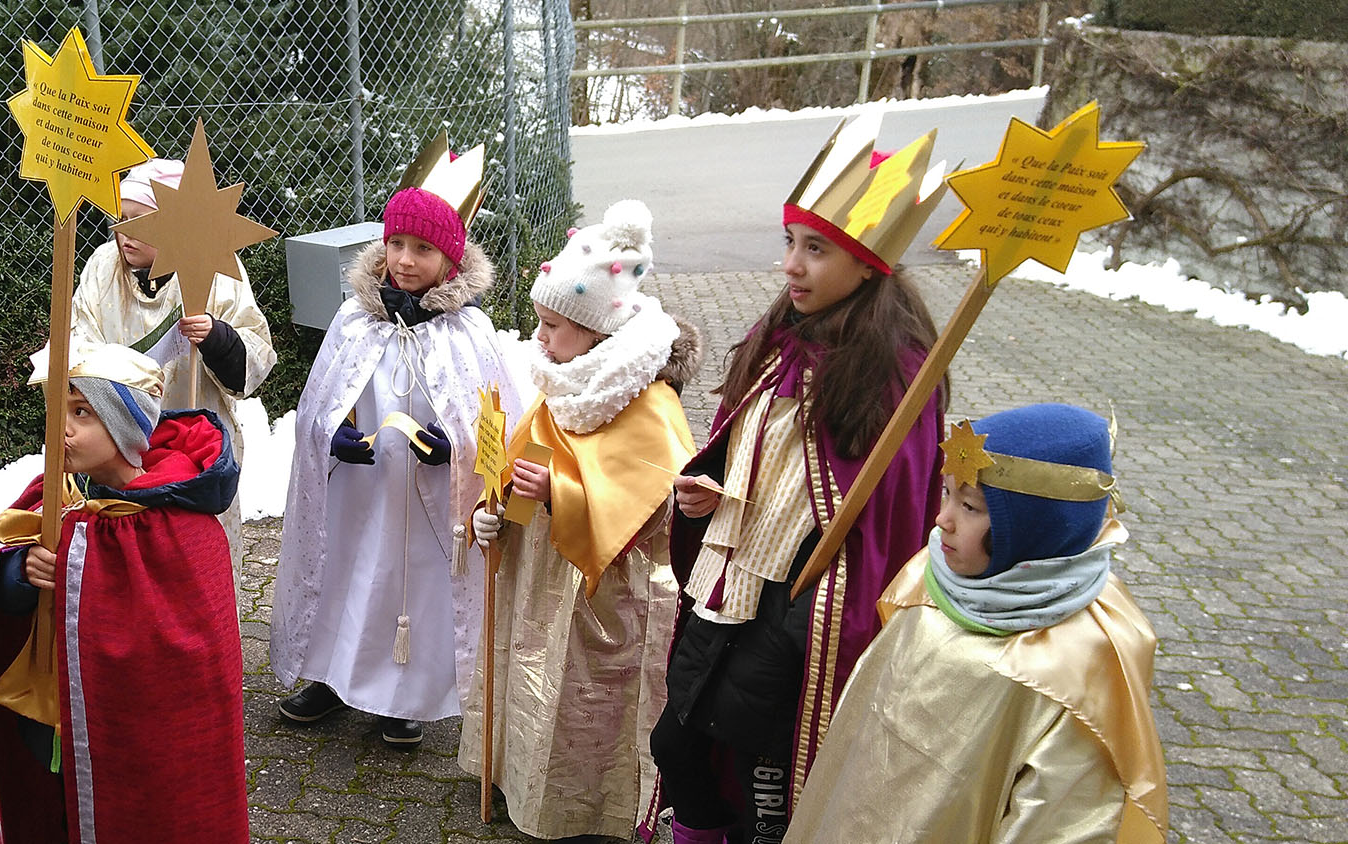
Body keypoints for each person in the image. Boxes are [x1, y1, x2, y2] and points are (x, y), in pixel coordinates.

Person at [645, 117, 951, 844]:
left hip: (804, 606)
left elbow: (886, 508)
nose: (792, 265)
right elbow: (751, 452)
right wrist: (710, 489)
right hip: (730, 582)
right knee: (679, 743)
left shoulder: (898, 372)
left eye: (816, 248)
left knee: (764, 772)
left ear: (867, 259)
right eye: (791, 242)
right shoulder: (778, 337)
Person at [785, 404, 1168, 843]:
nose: (941, 519)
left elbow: (1064, 819)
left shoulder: (1078, 661)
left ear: (1036, 529)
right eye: (946, 494)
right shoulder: (935, 575)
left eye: (969, 506)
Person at [269, 144, 523, 747]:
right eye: (397, 244)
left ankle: (404, 695)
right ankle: (333, 677)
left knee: (417, 584)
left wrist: (456, 450)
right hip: (361, 489)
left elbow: (497, 421)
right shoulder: (354, 320)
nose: (406, 261)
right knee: (350, 573)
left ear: (450, 258)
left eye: (424, 249)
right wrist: (332, 436)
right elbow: (316, 407)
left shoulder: (468, 331)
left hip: (432, 497)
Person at [462, 199, 696, 839]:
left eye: (554, 325)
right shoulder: (564, 381)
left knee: (587, 700)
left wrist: (562, 493)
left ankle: (589, 807)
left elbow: (652, 504)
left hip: (607, 596)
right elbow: (518, 460)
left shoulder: (647, 403)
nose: (539, 338)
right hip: (543, 575)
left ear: (597, 331)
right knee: (538, 681)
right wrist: (496, 514)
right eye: (538, 321)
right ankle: (523, 780)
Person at [0, 342, 247, 843]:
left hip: (132, 730)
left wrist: (85, 576)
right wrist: (20, 573)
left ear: (124, 426)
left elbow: (189, 650)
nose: (64, 428)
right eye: (59, 412)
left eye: (82, 413)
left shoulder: (177, 525)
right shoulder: (54, 495)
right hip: (49, 710)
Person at [61, 158, 278, 567]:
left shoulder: (214, 269)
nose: (125, 232)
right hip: (114, 445)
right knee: (122, 553)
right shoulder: (102, 266)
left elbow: (256, 355)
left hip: (191, 440)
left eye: (142, 222)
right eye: (121, 218)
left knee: (189, 555)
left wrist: (217, 338)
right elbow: (80, 341)